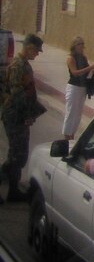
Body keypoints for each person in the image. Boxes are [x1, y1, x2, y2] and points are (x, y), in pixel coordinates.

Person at [1, 34, 45, 203]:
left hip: (18, 115)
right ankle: (11, 189)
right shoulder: (19, 66)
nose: (37, 54)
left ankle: (13, 190)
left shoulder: (24, 65)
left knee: (18, 155)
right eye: (36, 50)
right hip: (15, 115)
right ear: (29, 48)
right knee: (16, 155)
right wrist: (26, 115)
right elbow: (18, 94)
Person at [62, 36, 94, 140]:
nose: (82, 46)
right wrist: (90, 67)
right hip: (73, 87)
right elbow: (75, 73)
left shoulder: (83, 58)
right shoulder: (71, 58)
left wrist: (93, 71)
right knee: (71, 112)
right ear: (74, 45)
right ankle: (66, 136)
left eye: (83, 44)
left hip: (82, 88)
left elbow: (86, 71)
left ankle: (72, 135)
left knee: (78, 113)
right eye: (79, 44)